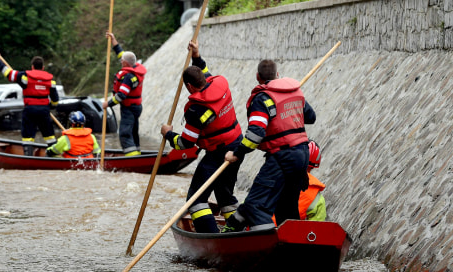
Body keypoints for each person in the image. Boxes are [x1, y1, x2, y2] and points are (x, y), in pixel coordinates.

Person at [222, 59, 317, 232]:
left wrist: (237, 153)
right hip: (302, 155)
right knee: (286, 207)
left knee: (256, 206)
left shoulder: (262, 99)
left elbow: (254, 135)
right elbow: (310, 117)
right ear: (277, 75)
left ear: (258, 77)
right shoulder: (295, 92)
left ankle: (269, 245)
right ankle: (293, 244)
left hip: (283, 156)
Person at [160, 41, 244, 233]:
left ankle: (212, 238)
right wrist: (196, 55)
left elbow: (185, 143)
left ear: (189, 86)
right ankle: (237, 231)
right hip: (237, 147)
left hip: (218, 153)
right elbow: (204, 71)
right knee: (225, 196)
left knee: (196, 199)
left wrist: (168, 134)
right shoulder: (219, 84)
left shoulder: (196, 110)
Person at [0, 51, 59, 156]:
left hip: (30, 110)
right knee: (49, 136)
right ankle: (54, 157)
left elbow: (8, 73)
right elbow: (55, 99)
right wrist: (51, 107)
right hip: (44, 110)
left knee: (28, 136)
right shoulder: (50, 81)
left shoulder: (25, 77)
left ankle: (28, 157)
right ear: (43, 67)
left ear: (32, 67)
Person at [103, 32, 146, 156]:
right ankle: (137, 152)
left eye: (122, 61)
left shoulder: (128, 77)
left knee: (125, 133)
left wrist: (107, 104)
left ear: (126, 63)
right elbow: (122, 54)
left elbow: (121, 95)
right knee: (133, 131)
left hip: (129, 108)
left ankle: (132, 157)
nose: (120, 61)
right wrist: (113, 40)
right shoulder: (135, 66)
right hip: (137, 106)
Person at [299, 139, 327, 221]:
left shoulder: (268, 175)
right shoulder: (315, 196)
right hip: (286, 232)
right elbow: (317, 229)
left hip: (262, 229)